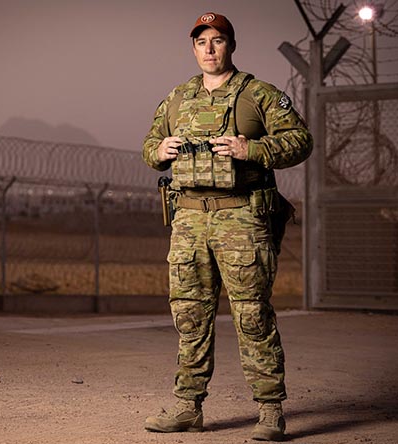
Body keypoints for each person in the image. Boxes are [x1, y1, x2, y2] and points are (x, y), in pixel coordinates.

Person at [141, 12, 313, 441]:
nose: (210, 49)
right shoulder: (177, 98)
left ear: (230, 45)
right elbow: (149, 146)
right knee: (190, 314)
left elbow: (300, 140)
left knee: (252, 314)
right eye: (202, 42)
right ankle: (187, 407)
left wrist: (250, 148)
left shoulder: (258, 94)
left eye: (218, 40)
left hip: (242, 218)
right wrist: (158, 150)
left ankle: (270, 411)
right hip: (189, 219)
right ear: (193, 48)